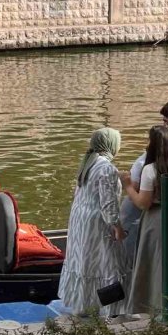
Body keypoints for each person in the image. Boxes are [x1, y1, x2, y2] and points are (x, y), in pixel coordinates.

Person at [57, 127, 128, 317]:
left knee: (83, 262)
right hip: (97, 223)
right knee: (109, 264)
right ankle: (112, 310)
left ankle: (83, 306)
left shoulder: (89, 163)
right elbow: (109, 204)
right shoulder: (107, 168)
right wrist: (117, 227)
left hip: (80, 219)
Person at [120, 125, 168, 314]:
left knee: (154, 262)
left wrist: (127, 186)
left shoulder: (150, 170)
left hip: (157, 220)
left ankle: (153, 306)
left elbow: (143, 203)